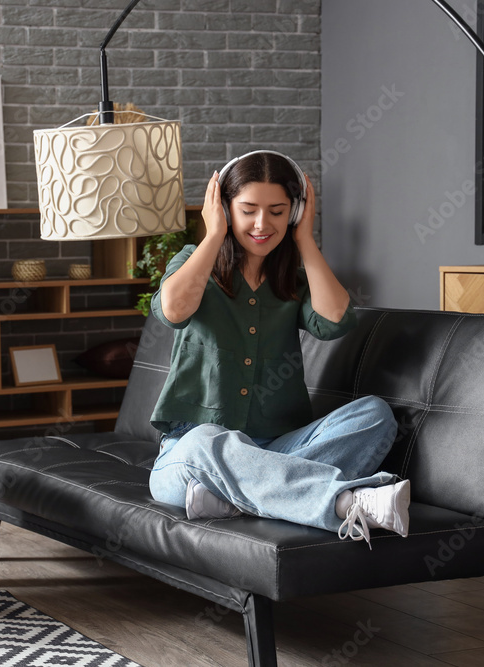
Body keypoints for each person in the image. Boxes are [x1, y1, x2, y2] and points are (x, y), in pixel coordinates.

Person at [147, 150, 408, 548]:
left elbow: (335, 318)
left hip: (280, 446)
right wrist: (213, 235)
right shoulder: (192, 261)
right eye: (248, 209)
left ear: (295, 212)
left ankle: (239, 497)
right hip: (192, 457)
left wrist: (305, 239)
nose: (261, 224)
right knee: (208, 439)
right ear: (223, 208)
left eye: (277, 211)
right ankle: (344, 503)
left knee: (374, 415)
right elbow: (174, 309)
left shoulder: (295, 280)